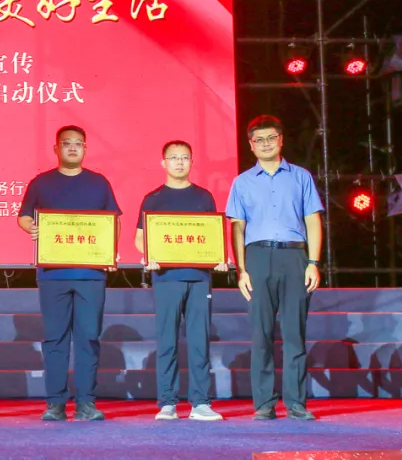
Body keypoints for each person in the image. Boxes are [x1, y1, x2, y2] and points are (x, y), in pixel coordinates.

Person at [18, 125, 120, 422]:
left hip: (90, 274)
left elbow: (112, 221)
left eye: (78, 143)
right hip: (53, 273)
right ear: (56, 148)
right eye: (67, 143)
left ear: (85, 148)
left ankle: (86, 403)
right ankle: (55, 403)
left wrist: (110, 250)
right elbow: (24, 216)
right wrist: (31, 226)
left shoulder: (99, 183)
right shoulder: (41, 182)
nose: (73, 148)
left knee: (89, 338)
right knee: (55, 339)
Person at [226, 115, 323, 421]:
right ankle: (264, 403)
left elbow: (312, 220)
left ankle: (296, 403)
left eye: (271, 138)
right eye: (259, 140)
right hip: (257, 258)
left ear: (281, 140)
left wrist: (313, 262)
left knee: (295, 333)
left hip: (294, 257)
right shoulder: (242, 182)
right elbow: (237, 227)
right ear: (251, 145)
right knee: (261, 334)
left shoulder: (301, 177)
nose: (265, 144)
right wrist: (241, 270)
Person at [134, 140, 228, 422]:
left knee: (199, 340)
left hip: (199, 277)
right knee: (167, 341)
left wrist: (219, 256)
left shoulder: (204, 197)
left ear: (191, 162)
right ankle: (167, 403)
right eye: (174, 157)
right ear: (163, 163)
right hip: (166, 277)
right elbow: (140, 238)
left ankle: (201, 402)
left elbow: (212, 235)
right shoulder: (153, 199)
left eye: (185, 157)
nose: (179, 162)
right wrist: (149, 255)